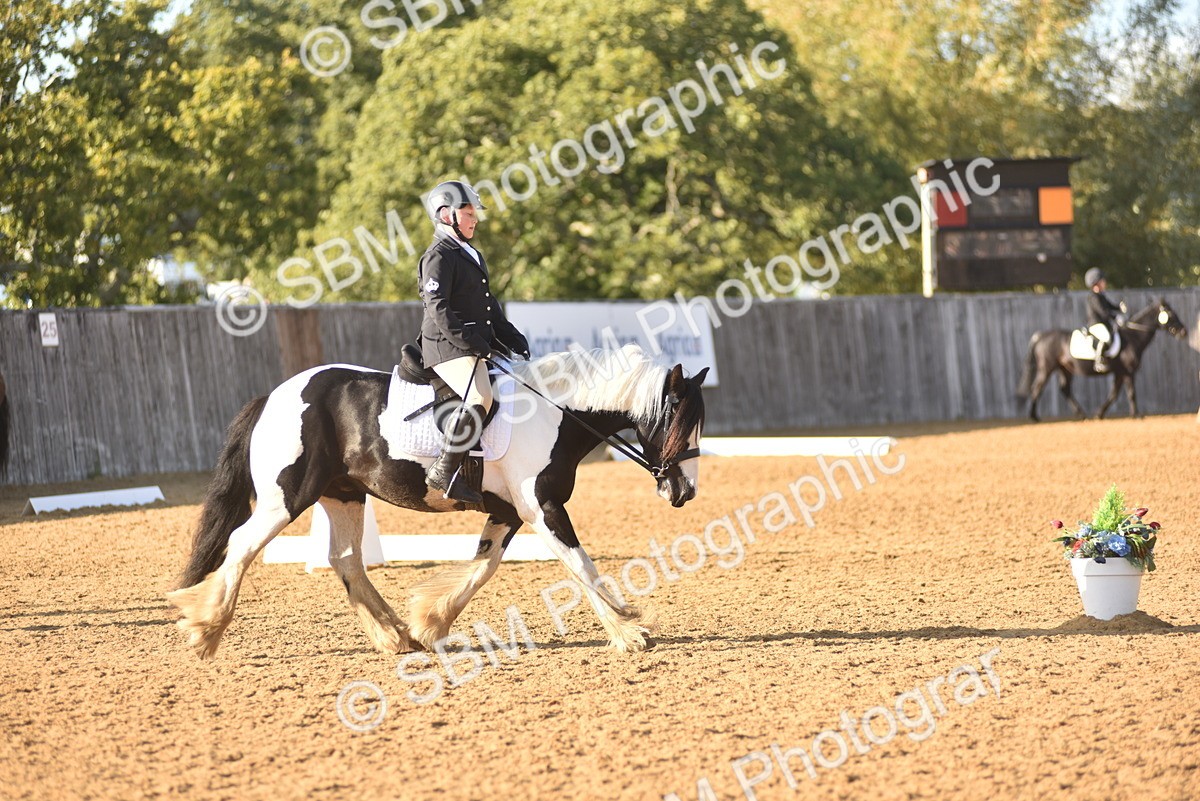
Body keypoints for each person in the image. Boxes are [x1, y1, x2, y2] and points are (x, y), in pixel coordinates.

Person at [417, 181, 530, 503]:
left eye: (473, 213)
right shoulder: (438, 256)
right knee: (480, 397)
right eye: (468, 213)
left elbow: (487, 304)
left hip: (470, 343)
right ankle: (444, 468)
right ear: (445, 214)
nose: (474, 219)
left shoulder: (470, 253)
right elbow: (437, 307)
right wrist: (471, 342)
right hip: (446, 345)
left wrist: (509, 335)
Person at [1085, 267, 1125, 373]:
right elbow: (1103, 312)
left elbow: (1109, 306)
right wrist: (1115, 317)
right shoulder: (1093, 297)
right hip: (1096, 324)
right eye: (1102, 281)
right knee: (1106, 337)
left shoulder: (1101, 296)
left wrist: (1119, 308)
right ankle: (1099, 361)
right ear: (1096, 283)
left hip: (1103, 324)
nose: (1105, 283)